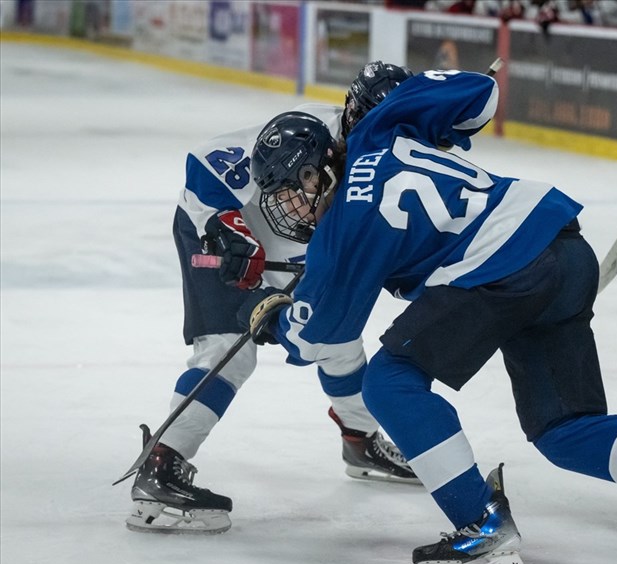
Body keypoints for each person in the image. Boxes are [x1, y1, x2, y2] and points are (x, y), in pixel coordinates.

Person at [239, 68, 617, 564]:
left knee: (390, 381)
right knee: (561, 427)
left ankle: (482, 528)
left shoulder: (344, 228)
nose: (292, 208)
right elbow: (481, 95)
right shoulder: (384, 130)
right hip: (564, 248)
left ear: (319, 168)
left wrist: (276, 317)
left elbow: (319, 337)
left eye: (293, 189)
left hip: (502, 270)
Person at [126, 62, 420, 536]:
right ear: (353, 112)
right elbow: (206, 163)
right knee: (227, 351)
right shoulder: (304, 132)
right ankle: (161, 464)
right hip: (230, 230)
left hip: (300, 241)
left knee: (338, 338)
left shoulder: (398, 158)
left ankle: (361, 442)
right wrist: (225, 227)